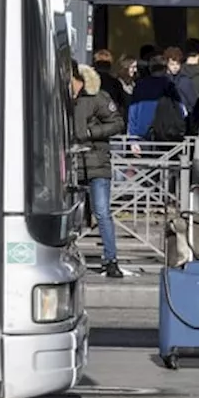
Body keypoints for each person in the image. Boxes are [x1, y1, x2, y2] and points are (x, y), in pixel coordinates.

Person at [72, 64, 125, 278]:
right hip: (73, 163)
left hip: (96, 162)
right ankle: (68, 255)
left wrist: (90, 132)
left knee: (102, 212)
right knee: (72, 215)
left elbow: (117, 122)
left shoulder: (97, 97)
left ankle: (111, 259)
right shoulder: (63, 99)